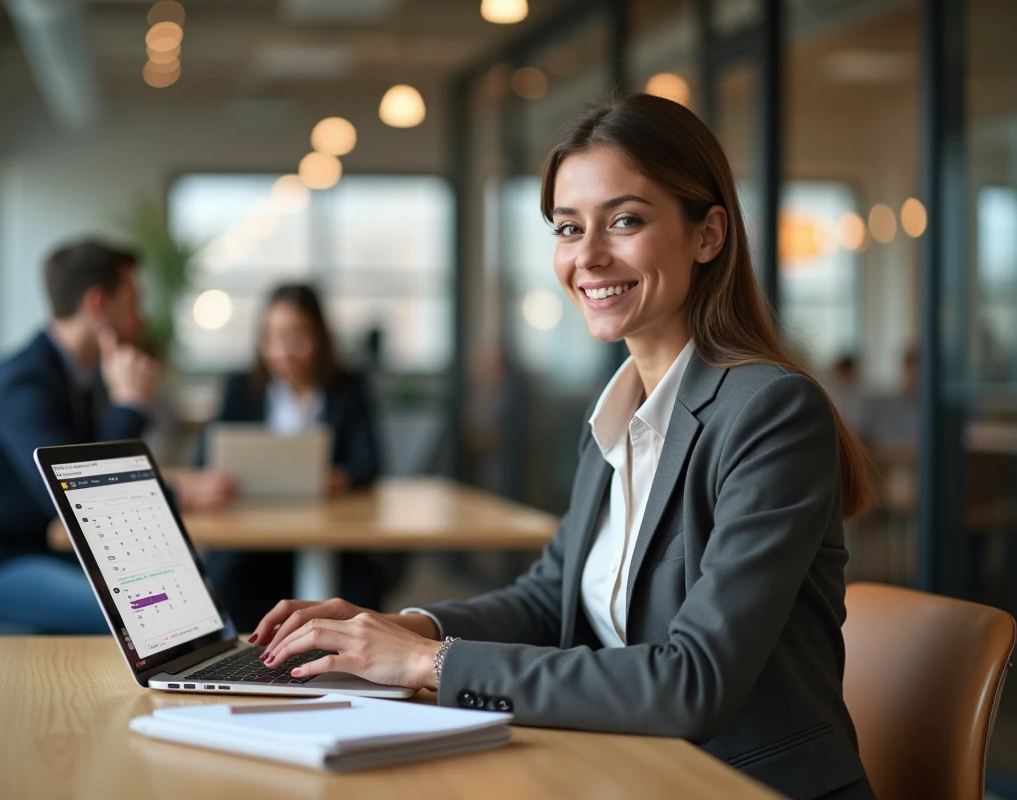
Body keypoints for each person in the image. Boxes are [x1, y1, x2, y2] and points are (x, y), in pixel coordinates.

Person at [248, 96, 877, 800]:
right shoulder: (617, 411)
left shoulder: (769, 412)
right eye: (569, 228)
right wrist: (401, 627)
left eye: (625, 220)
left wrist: (429, 663)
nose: (588, 256)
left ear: (708, 235)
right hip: (629, 771)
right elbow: (553, 598)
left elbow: (693, 681)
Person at [0, 238, 235, 633]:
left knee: (184, 594)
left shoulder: (74, 377)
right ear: (97, 304)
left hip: (27, 553)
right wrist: (130, 405)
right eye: (132, 302)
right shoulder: (25, 382)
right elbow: (81, 503)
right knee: (156, 614)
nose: (141, 318)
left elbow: (92, 473)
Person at [200, 283, 389, 630]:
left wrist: (340, 478)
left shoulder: (347, 387)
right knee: (227, 583)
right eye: (271, 337)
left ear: (320, 338)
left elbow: (369, 464)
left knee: (360, 592)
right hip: (252, 535)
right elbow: (206, 457)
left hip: (331, 532)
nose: (282, 351)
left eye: (296, 337)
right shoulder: (241, 387)